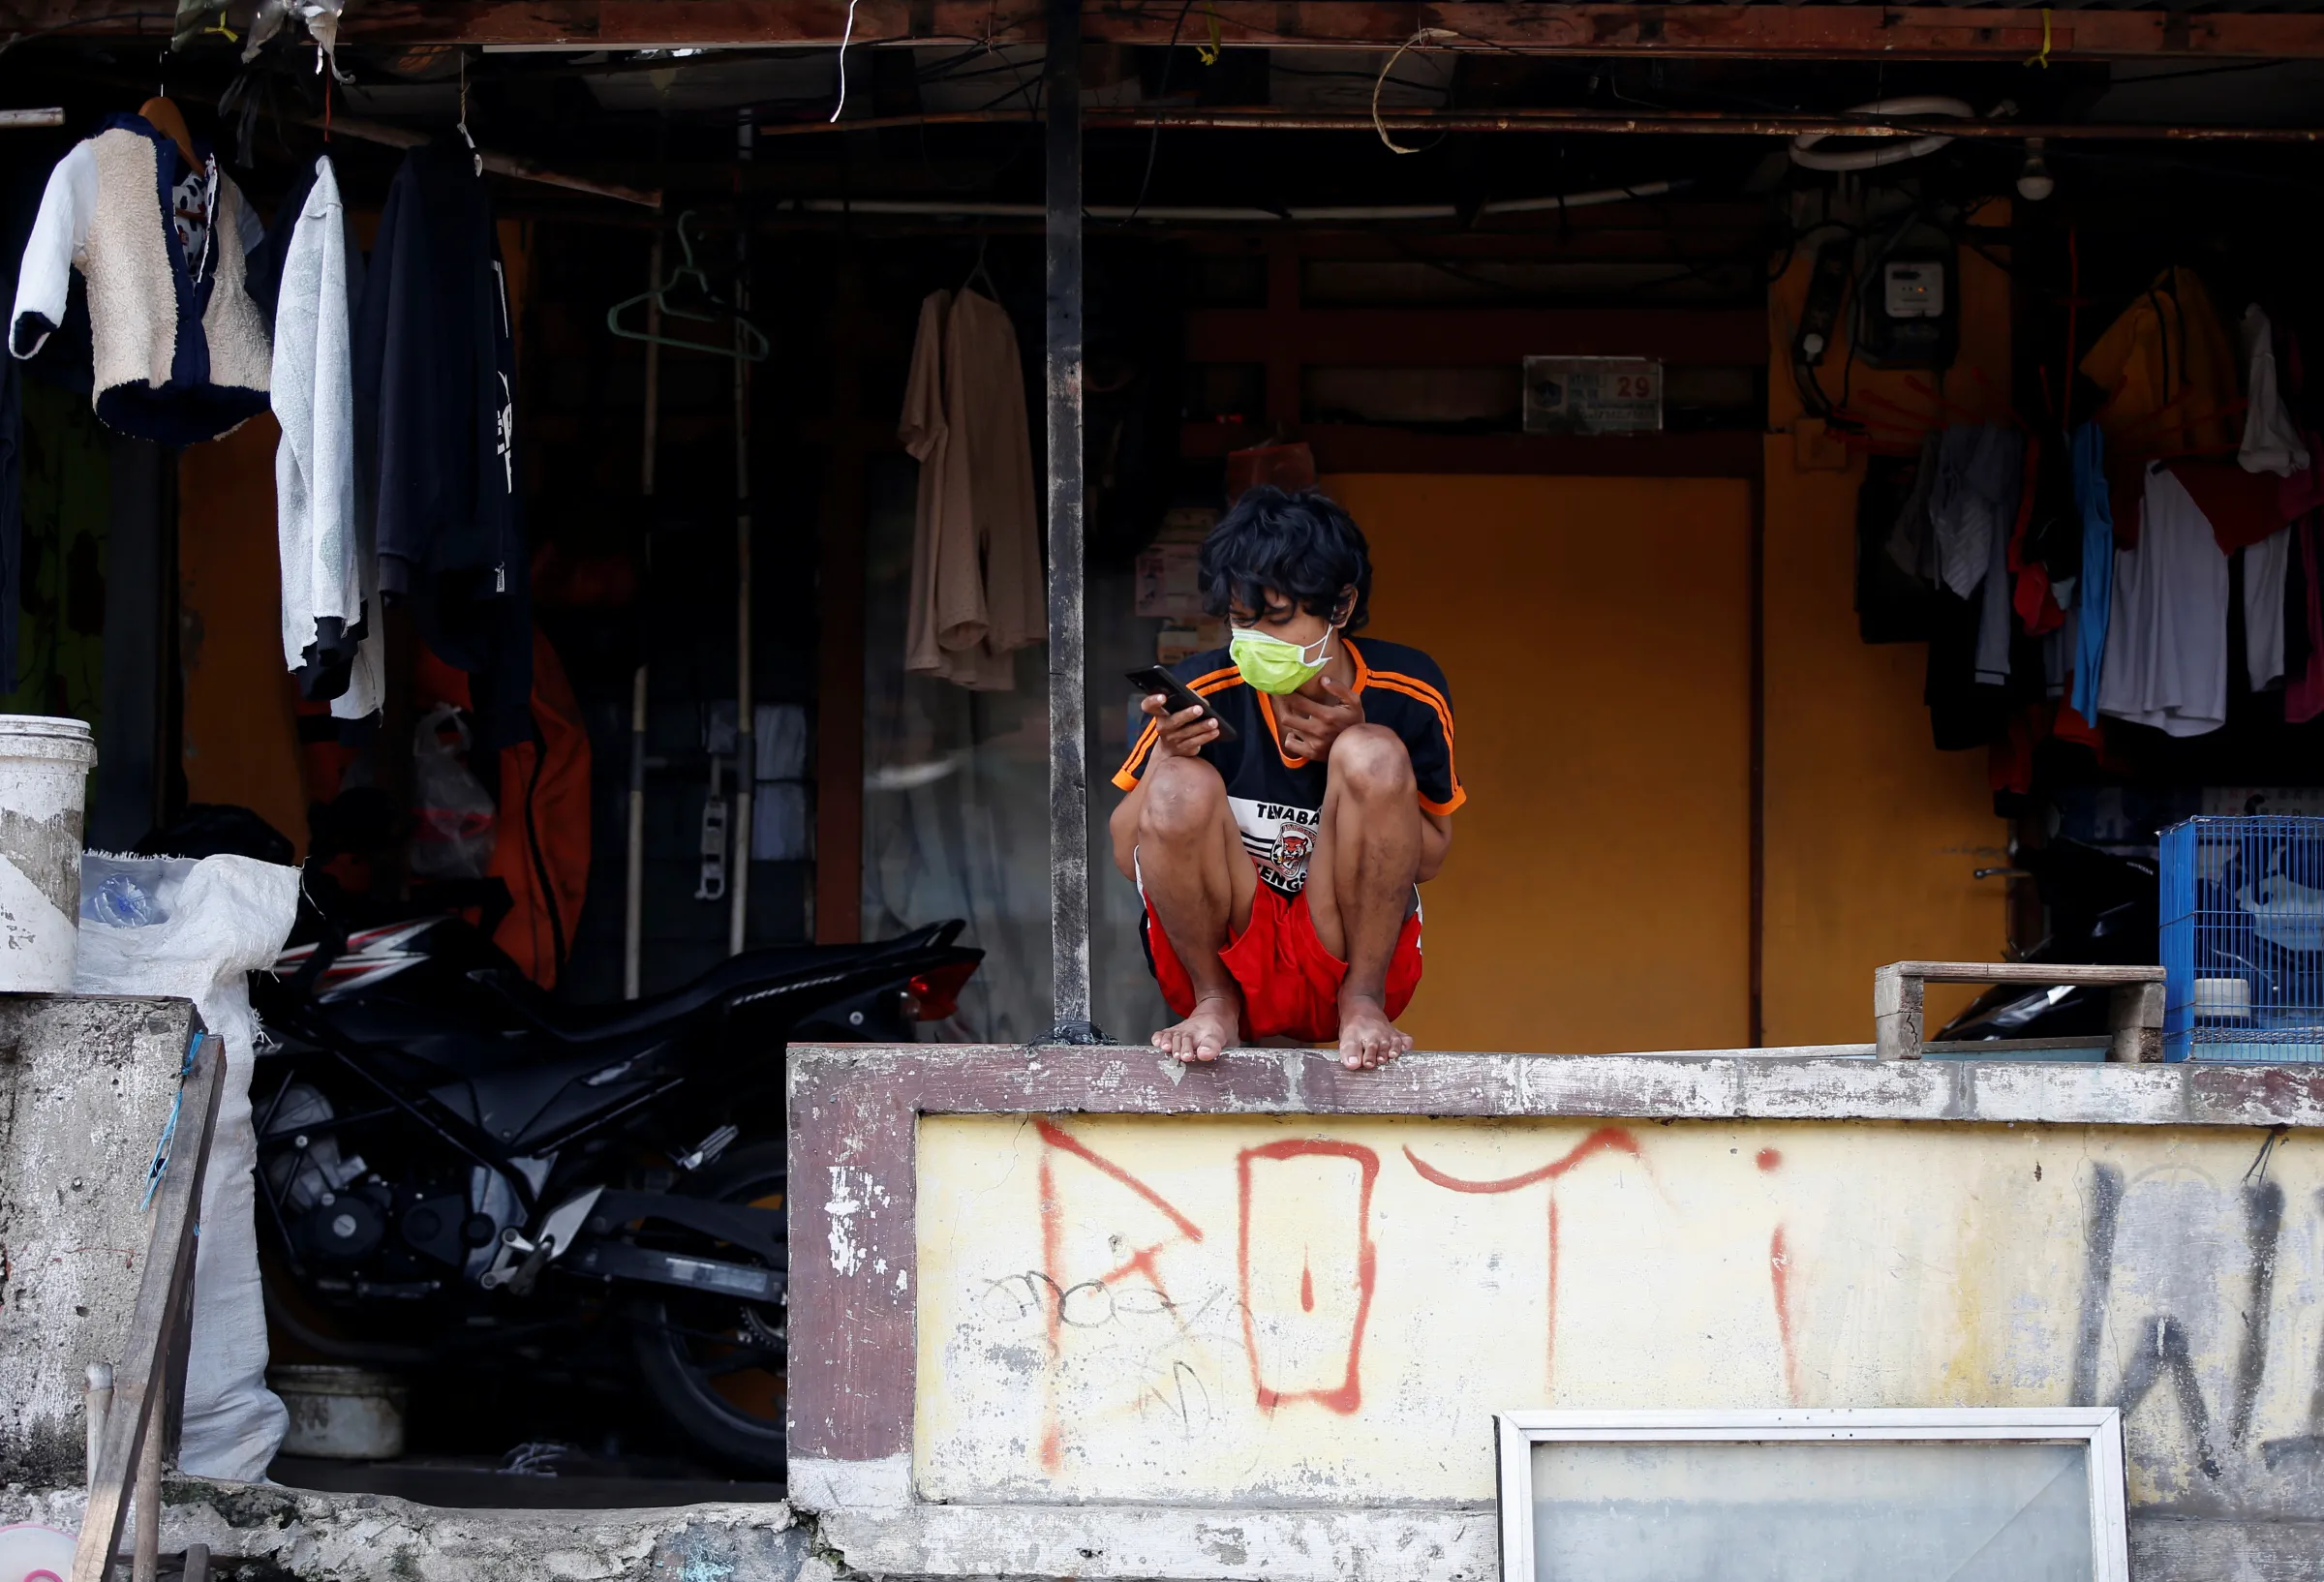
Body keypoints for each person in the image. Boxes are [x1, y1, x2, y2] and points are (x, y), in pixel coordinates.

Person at [1110, 488, 1460, 1071]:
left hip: (1347, 944)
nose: (1256, 641)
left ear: (1340, 609)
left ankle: (1363, 1002)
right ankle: (1213, 1001)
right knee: (1176, 784)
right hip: (1226, 951)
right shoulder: (1200, 692)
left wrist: (1351, 758)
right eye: (1241, 621)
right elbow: (1129, 856)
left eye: (1278, 620)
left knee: (1372, 751)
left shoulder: (1409, 690)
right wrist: (1168, 756)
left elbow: (1431, 857)